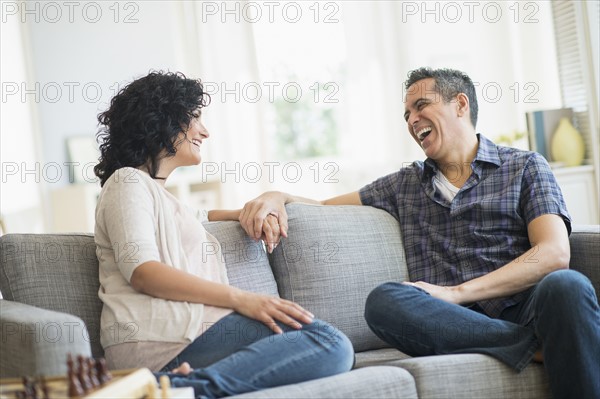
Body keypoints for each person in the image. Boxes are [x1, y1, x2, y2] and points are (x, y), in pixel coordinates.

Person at [238, 67, 600, 399]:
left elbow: (553, 253)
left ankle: (526, 340)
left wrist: (456, 294)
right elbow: (318, 204)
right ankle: (533, 346)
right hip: (446, 324)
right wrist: (276, 196)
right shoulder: (404, 184)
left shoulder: (525, 166)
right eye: (407, 114)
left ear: (460, 105)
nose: (412, 120)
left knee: (567, 285)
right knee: (384, 301)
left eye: (421, 105)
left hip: (523, 306)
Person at [93, 71, 354, 399]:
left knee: (325, 344)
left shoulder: (162, 198)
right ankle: (168, 388)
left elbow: (201, 216)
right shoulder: (127, 183)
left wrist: (259, 208)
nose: (205, 131)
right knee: (328, 343)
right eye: (195, 118)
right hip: (158, 340)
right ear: (163, 118)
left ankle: (184, 387)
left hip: (186, 335)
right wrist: (244, 300)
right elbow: (143, 273)